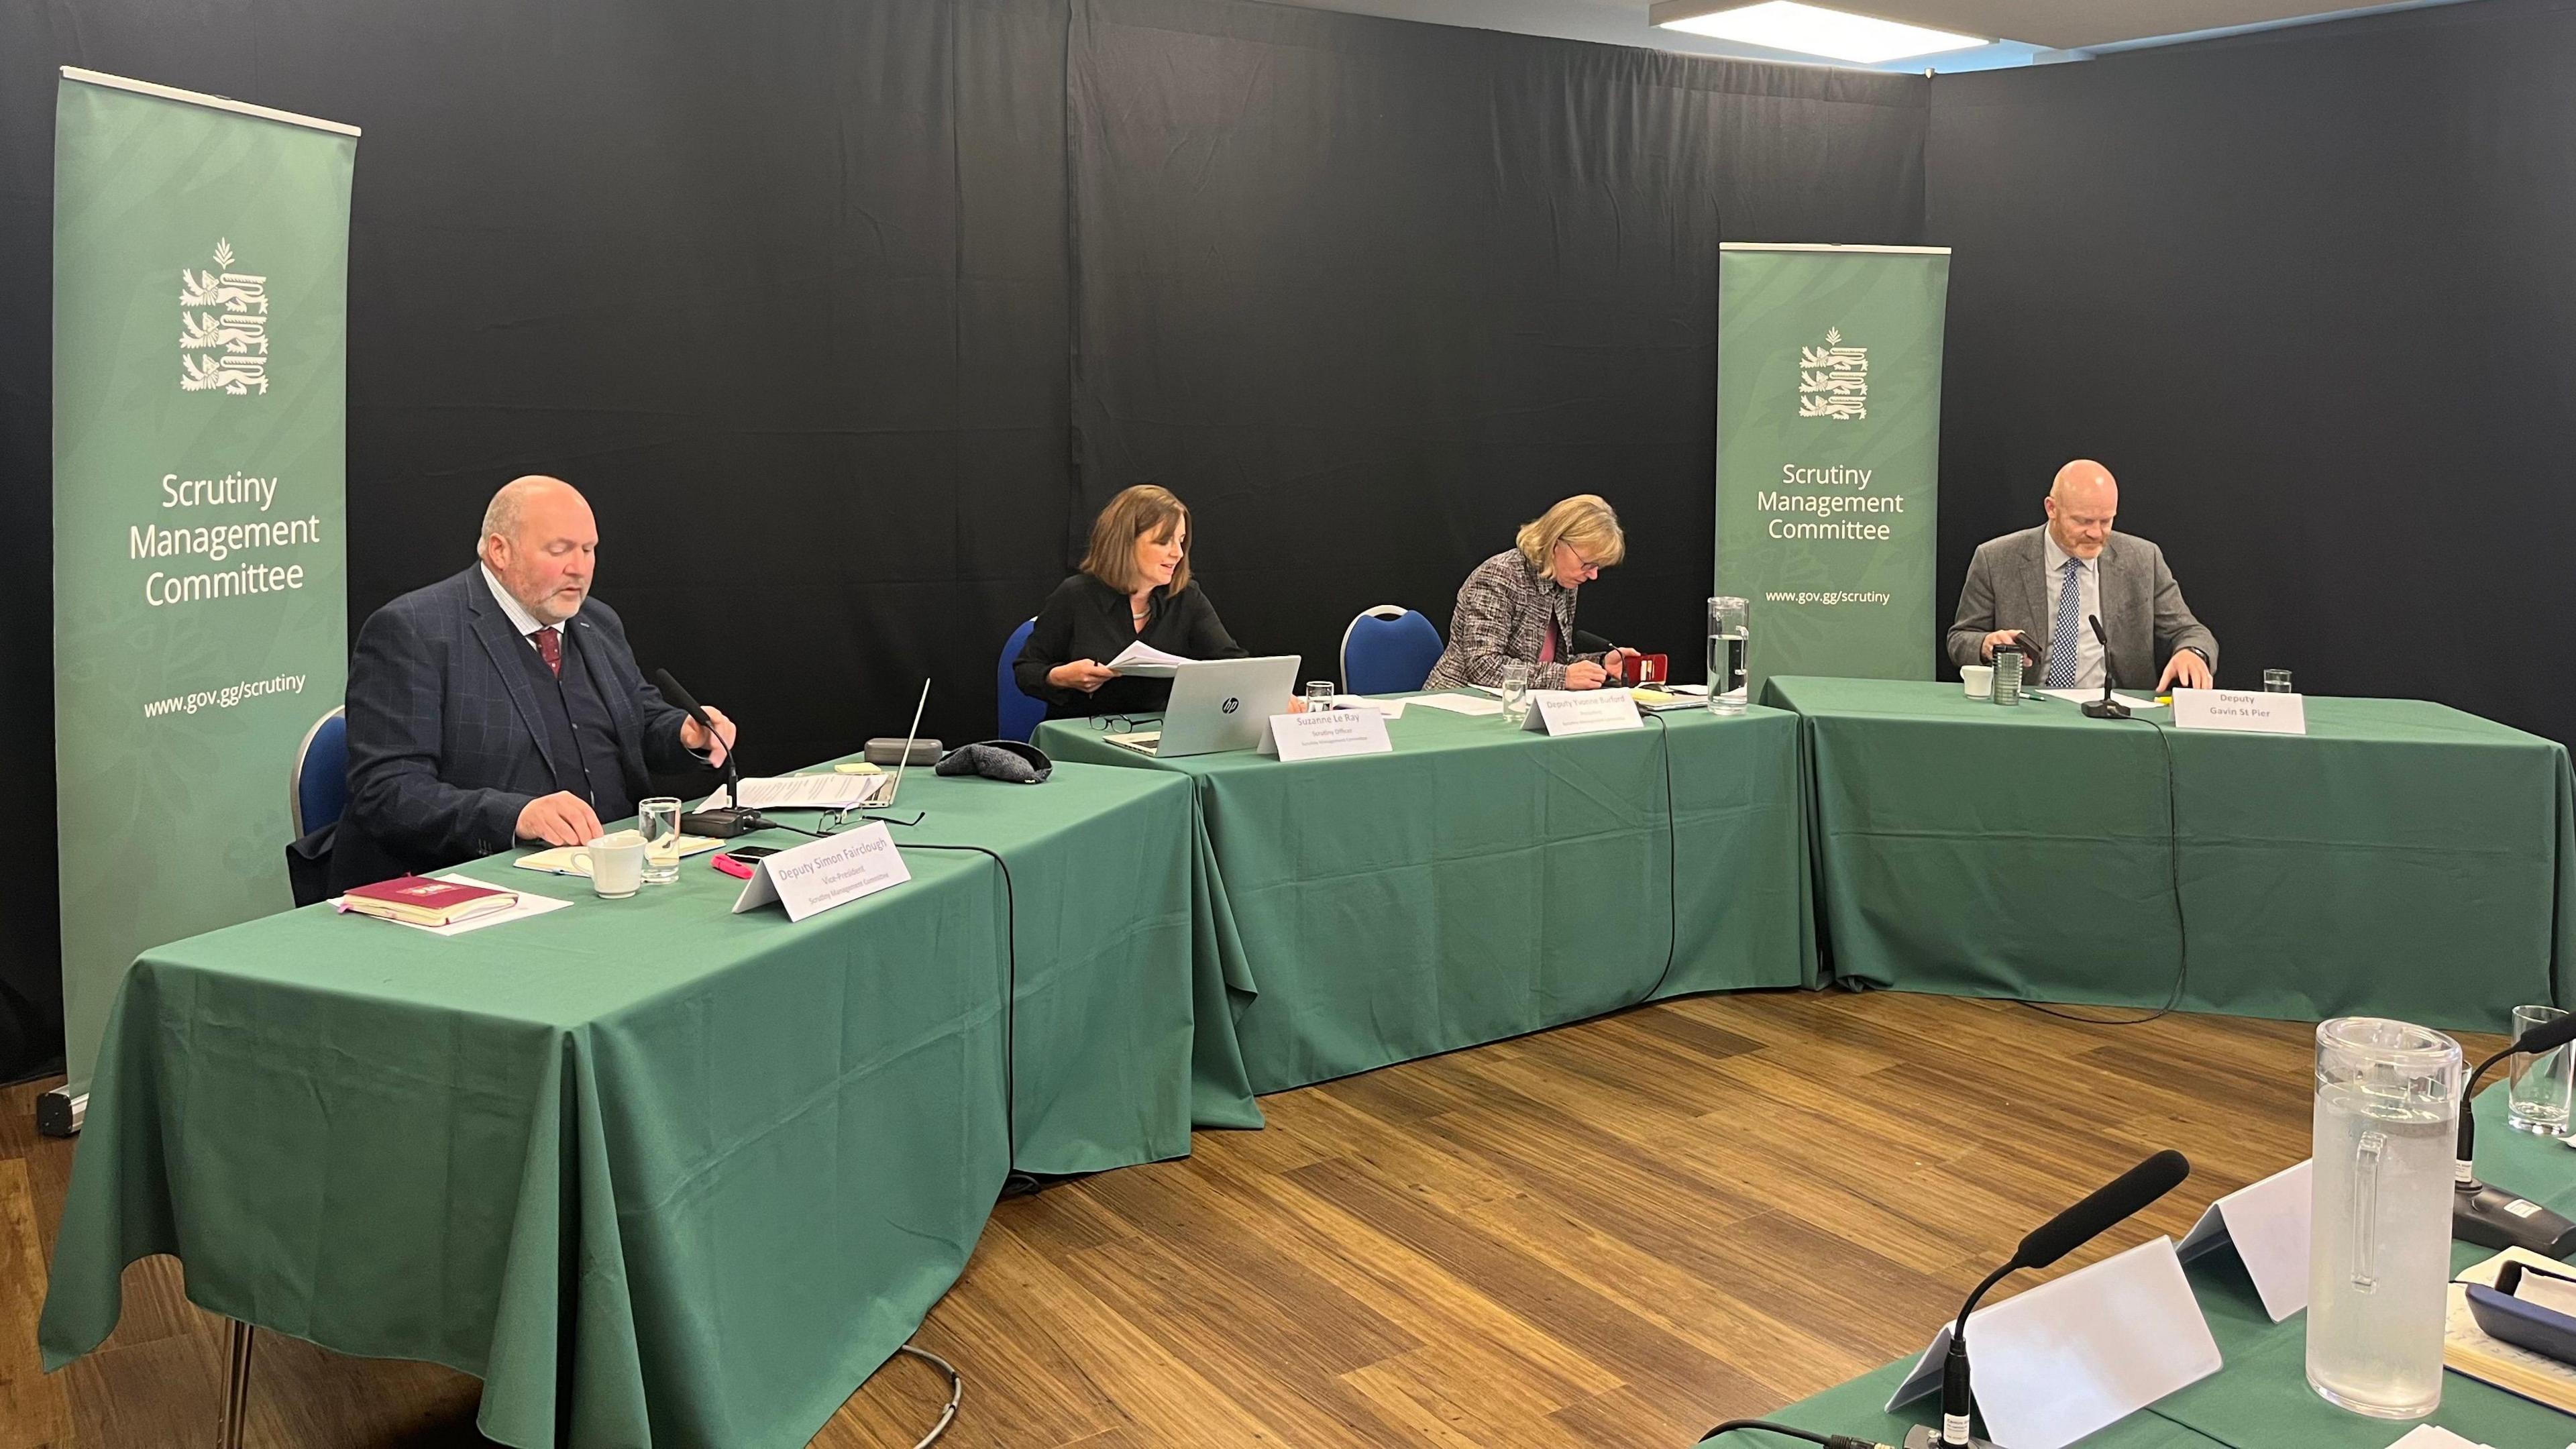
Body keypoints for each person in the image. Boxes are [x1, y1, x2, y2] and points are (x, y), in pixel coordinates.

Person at [331, 476, 737, 891]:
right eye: (559, 550)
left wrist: (685, 735)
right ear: (500, 551)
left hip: (619, 867)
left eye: (588, 550)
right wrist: (516, 816)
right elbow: (386, 793)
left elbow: (639, 719)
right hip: (482, 882)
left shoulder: (596, 621)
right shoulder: (414, 631)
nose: (578, 567)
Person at [1947, 459, 2218, 693]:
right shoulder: (1996, 559)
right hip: (2025, 709)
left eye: (2106, 521)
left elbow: (2191, 632)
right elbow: (1960, 639)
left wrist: (2191, 653)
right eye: (2083, 521)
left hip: (2114, 715)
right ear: (2052, 509)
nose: (2096, 533)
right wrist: (1985, 644)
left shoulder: (2143, 559)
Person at [1015, 484, 1249, 719]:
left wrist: (1277, 697)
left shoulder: (1187, 597)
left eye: (1181, 541)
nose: (1178, 553)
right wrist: (1058, 677)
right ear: (1125, 542)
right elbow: (1026, 669)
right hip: (1084, 735)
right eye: (1164, 541)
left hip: (1160, 738)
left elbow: (1233, 664)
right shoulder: (1075, 595)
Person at [1424, 494, 1639, 691]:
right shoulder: (1500, 575)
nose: (1593, 575)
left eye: (1598, 567)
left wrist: (1601, 664)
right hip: (1459, 701)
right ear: (1556, 543)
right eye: (1587, 564)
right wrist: (1563, 677)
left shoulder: (1564, 583)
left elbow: (1547, 665)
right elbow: (1483, 666)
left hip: (1517, 704)